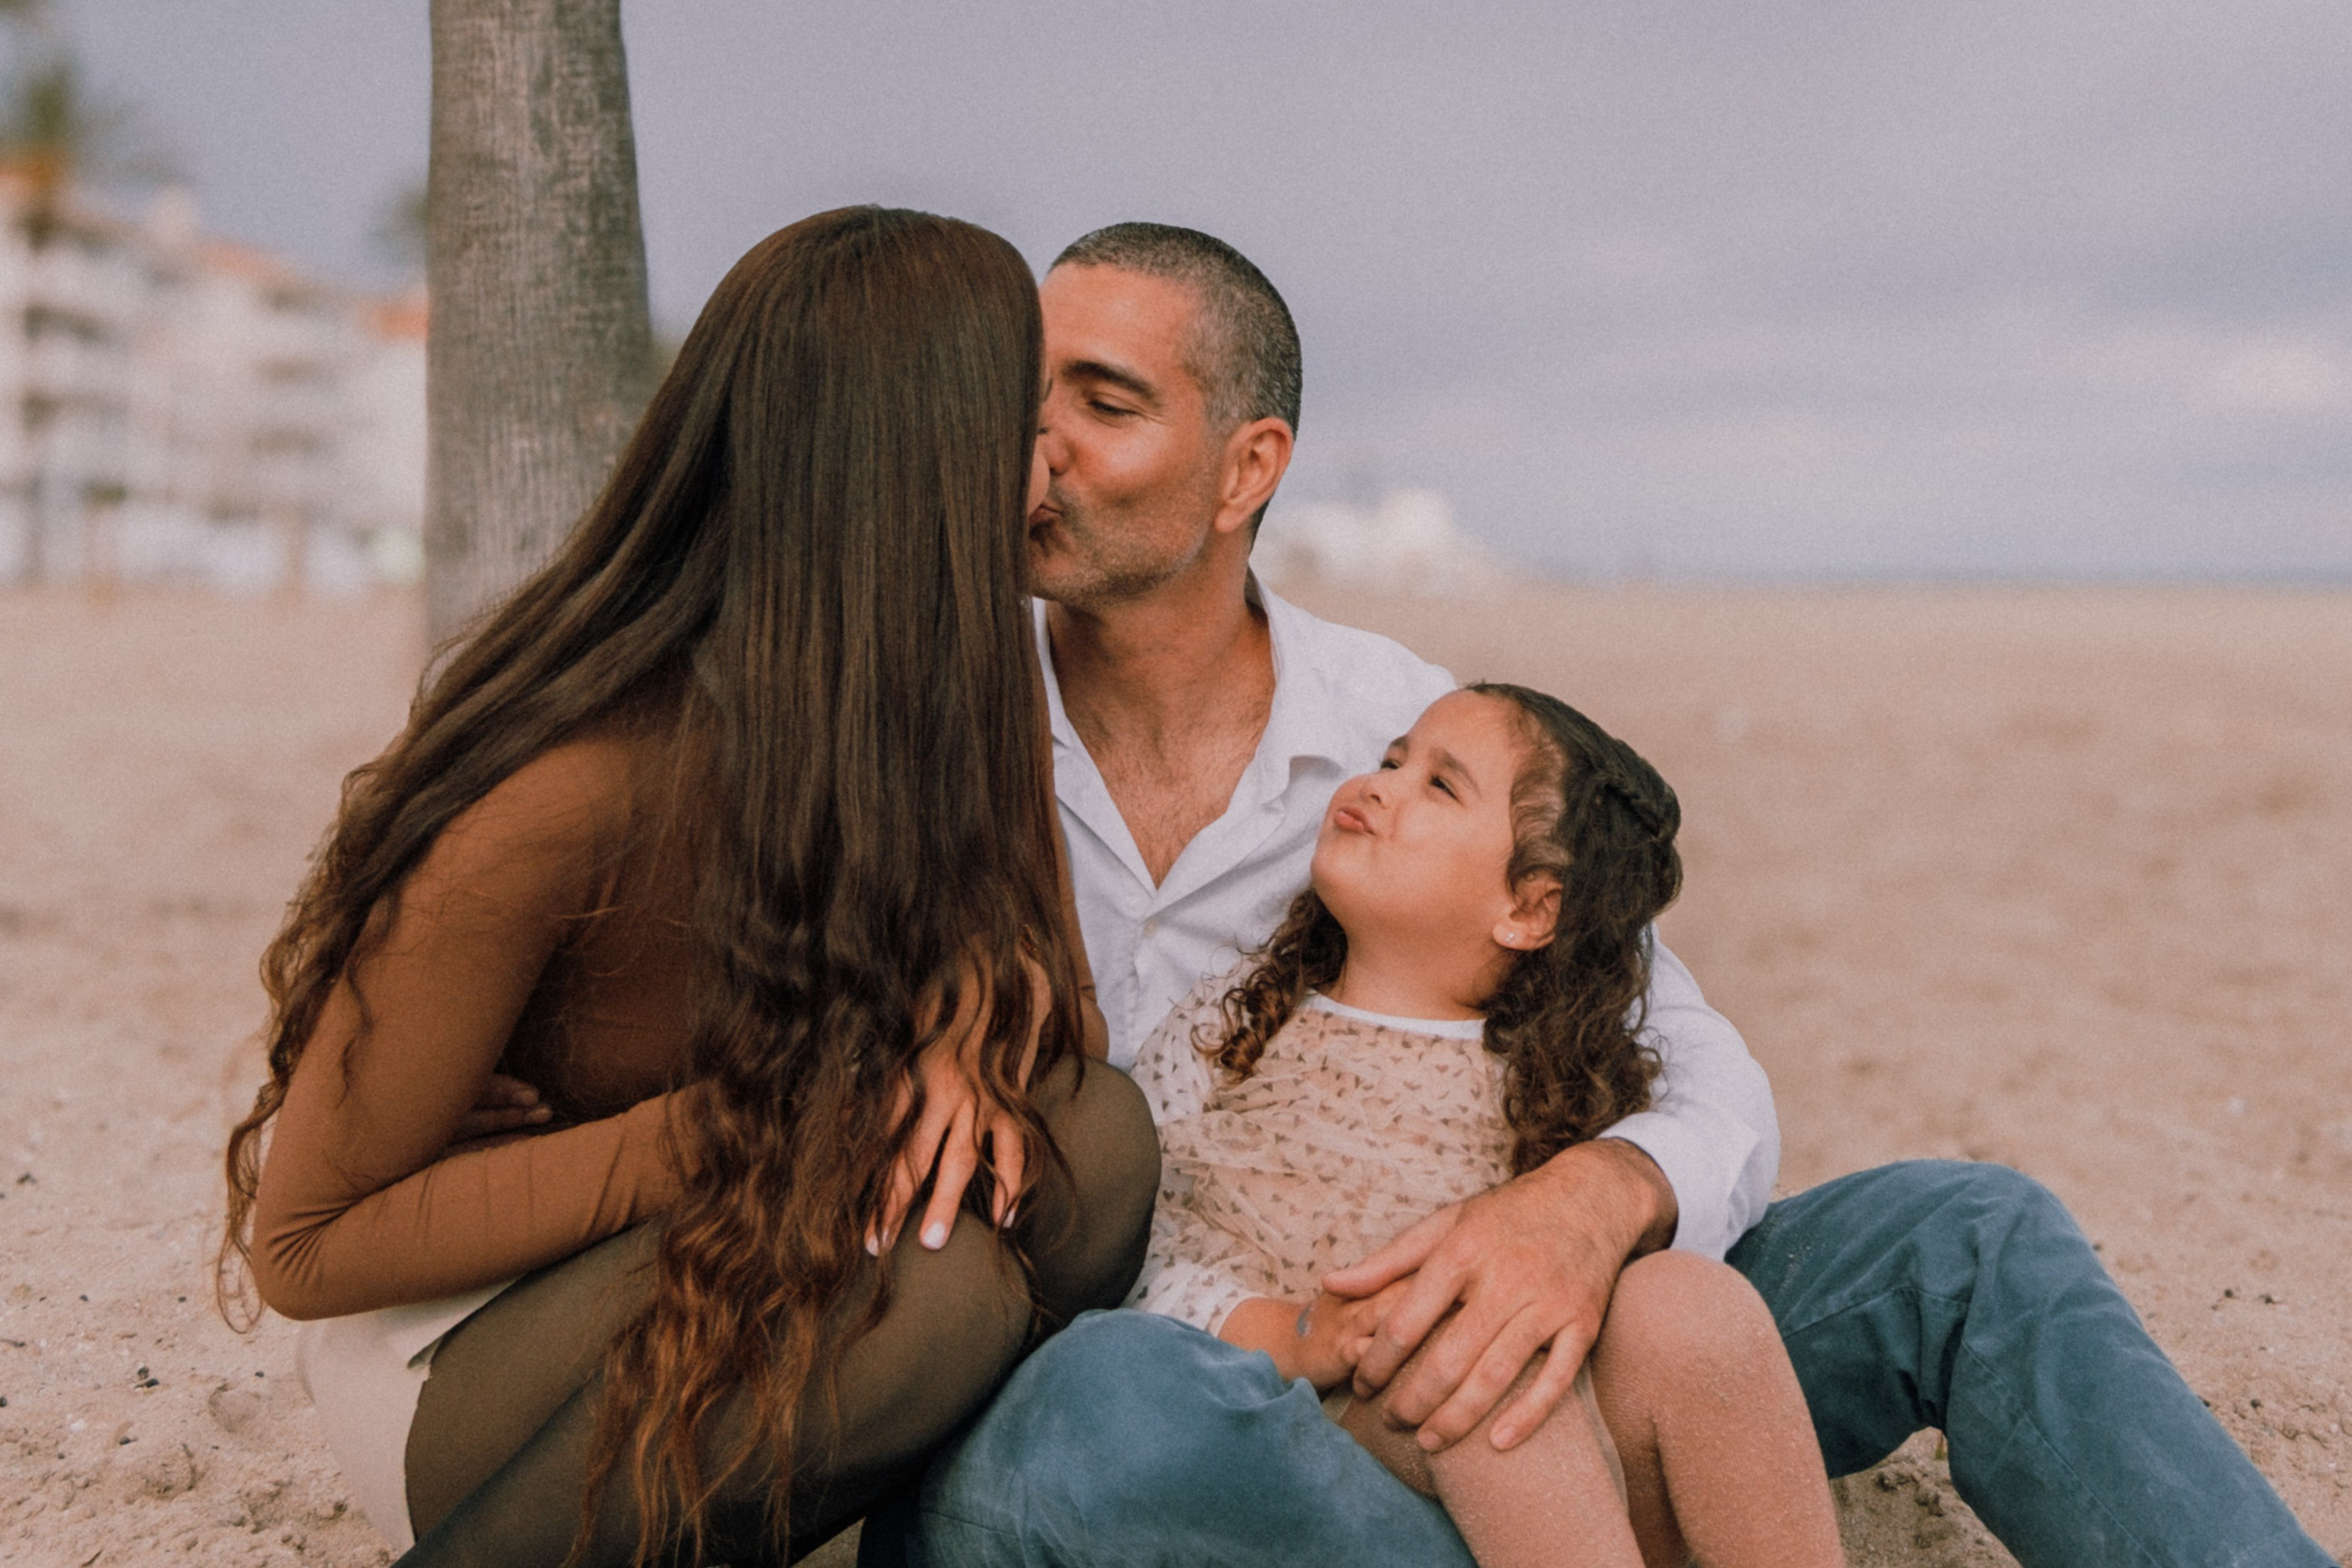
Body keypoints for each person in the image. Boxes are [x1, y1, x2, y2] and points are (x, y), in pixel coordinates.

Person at [865, 222, 2332, 1568]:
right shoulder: (920, 724)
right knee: (1116, 1405)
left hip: (1519, 1369)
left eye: (1104, 405)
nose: (1031, 446)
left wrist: (1588, 1200)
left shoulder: (1411, 724)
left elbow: (1692, 1060)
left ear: (1249, 469)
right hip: (1195, 1394)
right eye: (1023, 395)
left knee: (1972, 1233)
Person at [217, 207, 1159, 1568]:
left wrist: (955, 1025)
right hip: (479, 1361)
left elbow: (1057, 1006)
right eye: (1026, 416)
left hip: (737, 1265)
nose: (1054, 458)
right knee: (934, 1289)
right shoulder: (571, 786)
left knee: (1092, 1137)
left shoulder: (963, 685)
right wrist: (760, 1119)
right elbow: (304, 1245)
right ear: (922, 462)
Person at [1131, 682, 1843, 1568]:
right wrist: (1283, 1331)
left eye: (1439, 784)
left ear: (1530, 909)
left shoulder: (1553, 1082)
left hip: (1560, 1485)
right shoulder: (1228, 1031)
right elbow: (1135, 1250)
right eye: (1393, 759)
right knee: (1467, 1368)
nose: (1380, 783)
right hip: (1315, 1445)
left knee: (1690, 1300)